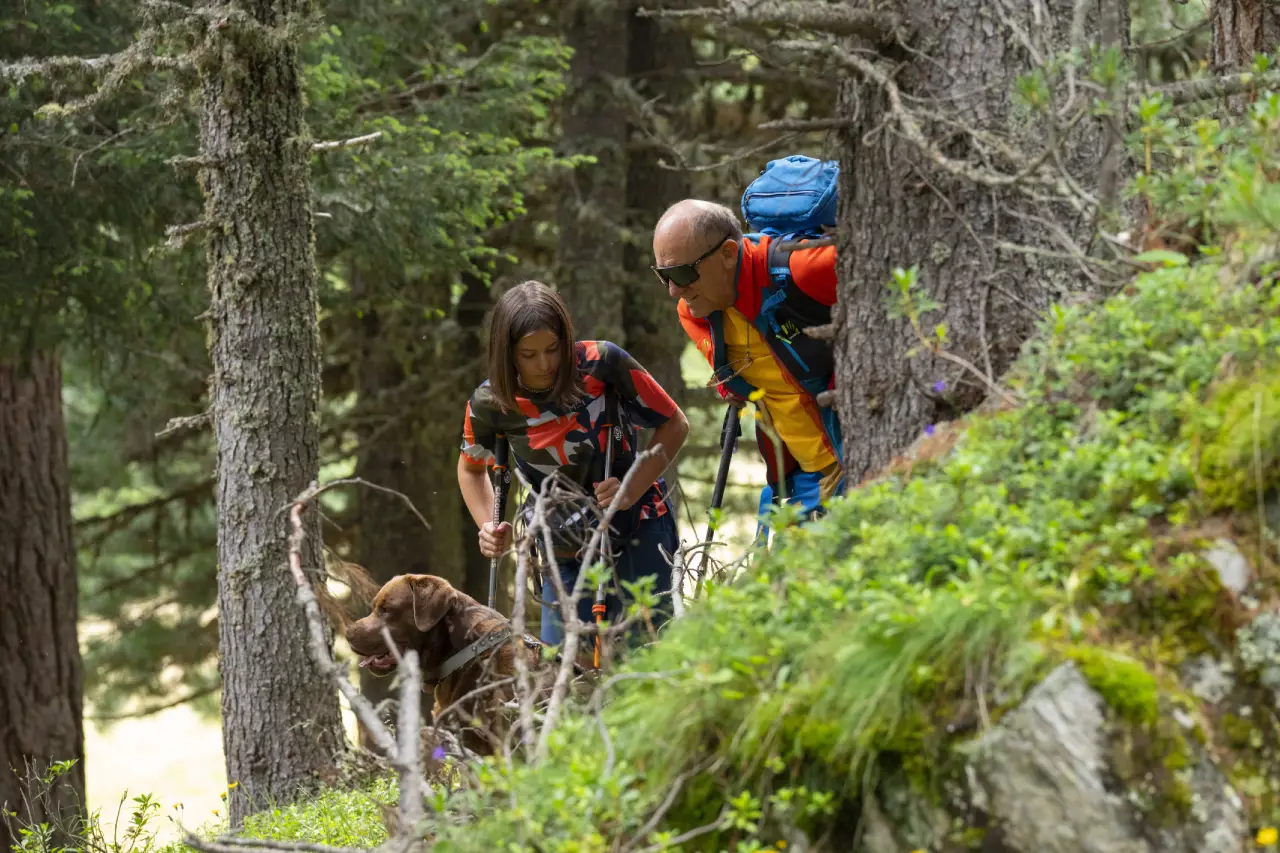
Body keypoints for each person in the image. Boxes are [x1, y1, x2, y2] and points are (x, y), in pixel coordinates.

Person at [456, 280, 690, 647]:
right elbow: (471, 468)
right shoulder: (491, 402)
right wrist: (489, 524)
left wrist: (629, 488)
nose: (545, 364)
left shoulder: (603, 363)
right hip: (560, 538)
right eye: (528, 355)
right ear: (506, 352)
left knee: (649, 649)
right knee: (563, 664)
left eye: (553, 349)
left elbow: (674, 424)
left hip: (639, 524)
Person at [652, 198, 842, 532]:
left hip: (856, 461)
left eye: (682, 274)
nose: (674, 291)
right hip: (797, 479)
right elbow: (744, 381)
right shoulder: (697, 313)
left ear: (727, 253)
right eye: (663, 275)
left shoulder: (804, 269)